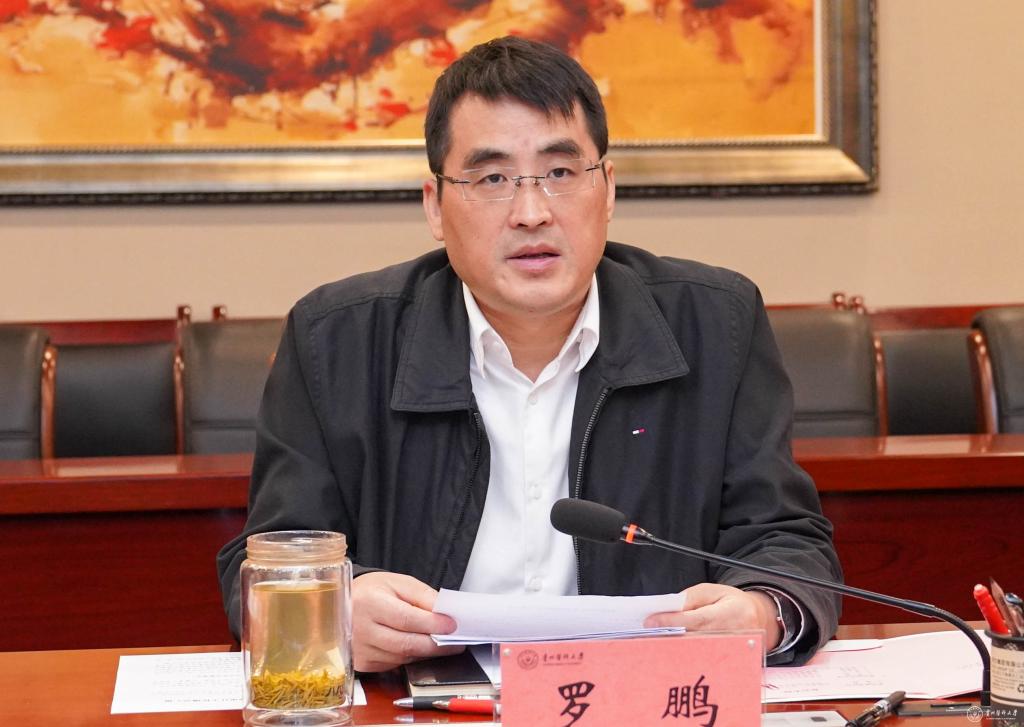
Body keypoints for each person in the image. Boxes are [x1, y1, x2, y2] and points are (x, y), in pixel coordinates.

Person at [217, 35, 841, 673]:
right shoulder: (336, 341)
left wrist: (764, 610)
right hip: (422, 703)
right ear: (435, 206)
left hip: (644, 697)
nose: (531, 212)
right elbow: (264, 562)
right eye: (492, 178)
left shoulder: (715, 324)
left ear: (608, 190)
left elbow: (785, 539)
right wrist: (336, 610)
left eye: (561, 173)